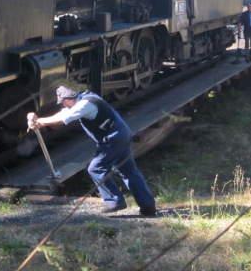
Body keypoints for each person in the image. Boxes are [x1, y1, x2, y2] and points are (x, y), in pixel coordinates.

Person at [27, 85, 157, 216]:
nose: (63, 105)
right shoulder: (83, 100)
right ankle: (148, 206)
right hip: (122, 134)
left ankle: (114, 201)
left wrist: (39, 120)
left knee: (96, 169)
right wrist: (39, 122)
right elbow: (62, 114)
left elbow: (62, 119)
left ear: (68, 99)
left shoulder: (85, 104)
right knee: (128, 171)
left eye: (63, 102)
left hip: (113, 139)